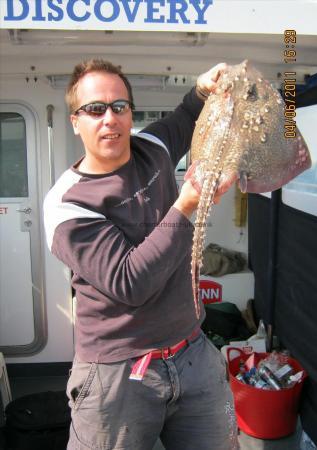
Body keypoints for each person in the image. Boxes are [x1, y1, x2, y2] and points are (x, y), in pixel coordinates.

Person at [43, 58, 236, 450]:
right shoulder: (66, 205)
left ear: (131, 114)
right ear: (75, 122)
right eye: (95, 109)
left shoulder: (153, 146)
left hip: (192, 352)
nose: (109, 119)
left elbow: (186, 114)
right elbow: (132, 282)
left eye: (119, 107)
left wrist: (204, 86)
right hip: (117, 373)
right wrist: (185, 205)